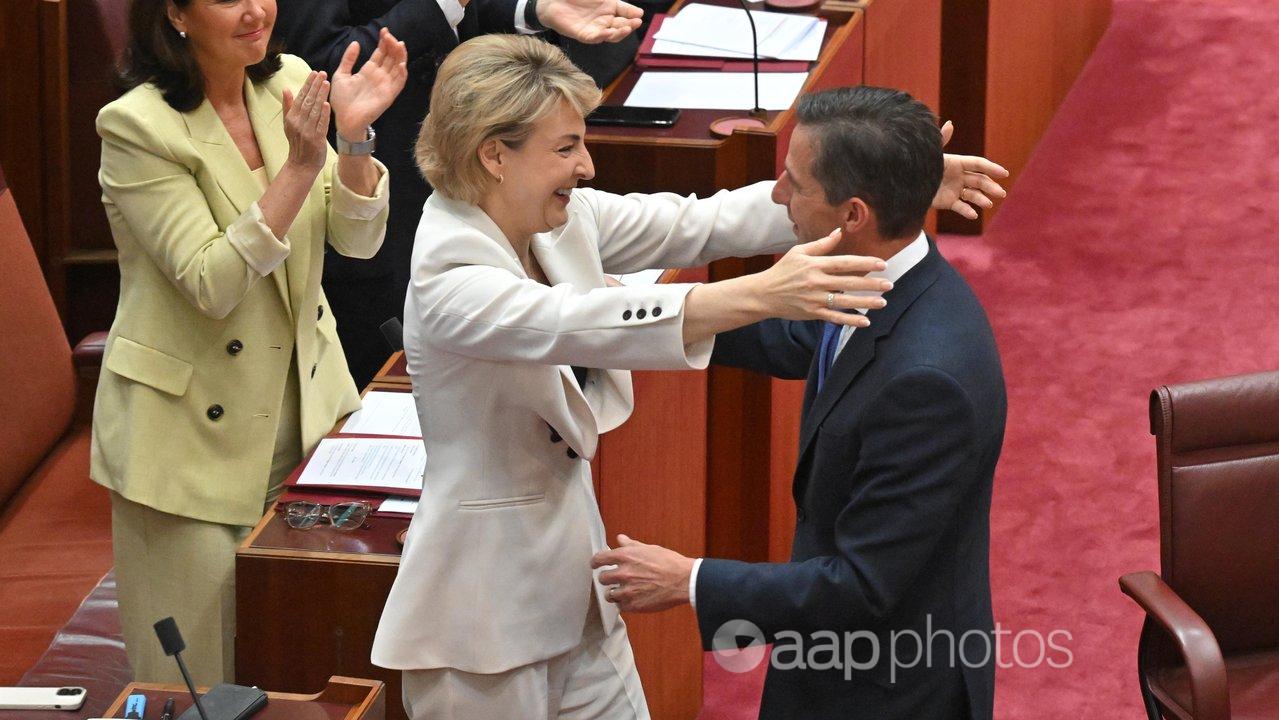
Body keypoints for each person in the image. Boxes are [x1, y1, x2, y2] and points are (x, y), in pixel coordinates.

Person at [371, 36, 1006, 719]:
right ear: (495, 154)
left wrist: (892, 186)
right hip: (480, 618)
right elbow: (580, 320)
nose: (585, 167)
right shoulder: (449, 275)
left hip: (576, 587)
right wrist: (763, 292)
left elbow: (695, 221)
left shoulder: (558, 218)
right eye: (565, 148)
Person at [592, 86, 1008, 720]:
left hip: (891, 686)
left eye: (793, 183)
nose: (778, 196)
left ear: (854, 214)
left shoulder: (928, 384)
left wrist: (690, 580)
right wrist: (634, 308)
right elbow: (792, 335)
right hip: (837, 659)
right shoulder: (879, 279)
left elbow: (864, 584)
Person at [92, 0, 406, 684]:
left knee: (308, 662)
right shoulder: (137, 126)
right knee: (199, 682)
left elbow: (357, 240)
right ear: (174, 13)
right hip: (188, 444)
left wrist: (352, 140)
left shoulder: (288, 81)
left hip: (306, 420)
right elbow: (212, 282)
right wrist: (297, 166)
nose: (255, 10)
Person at [274, 0, 643, 386]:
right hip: (380, 192)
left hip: (469, 173)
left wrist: (533, 9)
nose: (586, 166)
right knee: (401, 381)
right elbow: (316, 64)